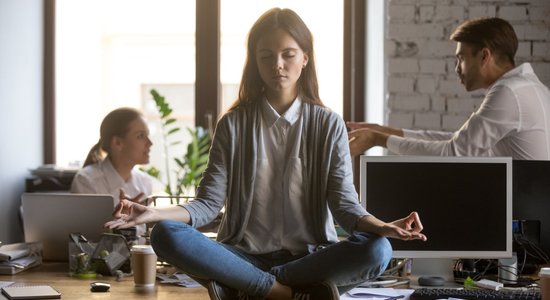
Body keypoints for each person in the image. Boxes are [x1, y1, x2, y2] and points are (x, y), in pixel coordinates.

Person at [106, 8, 426, 300]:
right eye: (266, 56)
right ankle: (283, 293)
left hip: (309, 259)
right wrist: (154, 214)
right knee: (166, 234)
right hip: (242, 255)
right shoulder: (233, 124)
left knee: (379, 250)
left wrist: (382, 226)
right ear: (254, 62)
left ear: (305, 58)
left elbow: (344, 206)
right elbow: (206, 205)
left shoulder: (328, 124)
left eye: (288, 54)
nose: (277, 65)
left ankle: (250, 286)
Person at [348, 17, 550, 160]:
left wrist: (379, 139)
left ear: (484, 56)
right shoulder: (529, 87)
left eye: (461, 58)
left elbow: (454, 152)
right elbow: (457, 141)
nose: (456, 68)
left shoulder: (508, 93)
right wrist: (384, 131)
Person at [71, 107, 162, 239]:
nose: (150, 143)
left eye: (147, 135)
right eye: (141, 136)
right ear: (117, 142)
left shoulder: (145, 182)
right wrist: (120, 222)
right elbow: (85, 241)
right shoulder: (87, 181)